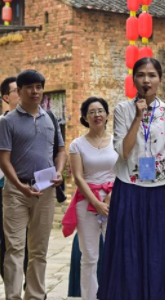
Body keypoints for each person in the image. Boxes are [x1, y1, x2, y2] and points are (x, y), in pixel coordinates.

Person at [97, 57, 165, 300]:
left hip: (157, 187)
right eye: (141, 74)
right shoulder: (122, 110)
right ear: (134, 80)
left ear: (160, 80)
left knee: (156, 245)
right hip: (128, 185)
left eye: (151, 75)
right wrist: (138, 117)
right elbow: (124, 151)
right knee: (127, 245)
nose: (146, 80)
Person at [0, 70, 66, 300]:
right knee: (15, 249)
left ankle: (35, 296)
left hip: (45, 190)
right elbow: (4, 159)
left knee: (39, 250)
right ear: (18, 91)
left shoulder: (50, 118)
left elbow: (60, 150)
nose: (35, 91)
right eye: (29, 87)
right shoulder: (8, 122)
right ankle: (13, 297)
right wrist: (19, 185)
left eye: (38, 86)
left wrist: (58, 172)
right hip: (16, 192)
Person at [61, 97, 117, 300]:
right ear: (85, 117)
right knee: (89, 257)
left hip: (114, 200)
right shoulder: (77, 144)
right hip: (87, 203)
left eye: (100, 111)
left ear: (107, 115)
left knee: (115, 254)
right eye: (92, 112)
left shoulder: (117, 141)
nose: (97, 115)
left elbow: (123, 171)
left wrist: (112, 195)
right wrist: (96, 202)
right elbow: (77, 177)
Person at [0, 76, 22, 279]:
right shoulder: (1, 124)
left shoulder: (39, 120)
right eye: (17, 90)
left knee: (31, 244)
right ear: (6, 97)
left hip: (29, 190)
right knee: (6, 243)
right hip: (4, 190)